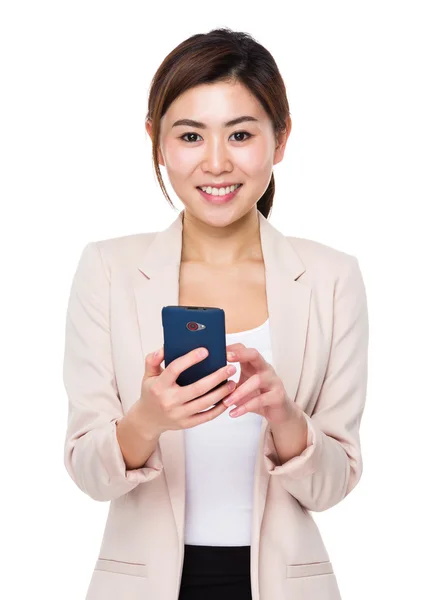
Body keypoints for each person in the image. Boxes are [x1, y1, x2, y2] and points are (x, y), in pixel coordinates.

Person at [63, 27, 369, 600]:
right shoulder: (108, 270)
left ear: (280, 141)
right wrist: (147, 419)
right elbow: (87, 469)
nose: (217, 162)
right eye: (190, 135)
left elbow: (334, 485)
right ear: (157, 141)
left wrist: (285, 418)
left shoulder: (332, 278)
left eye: (241, 133)